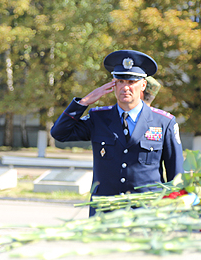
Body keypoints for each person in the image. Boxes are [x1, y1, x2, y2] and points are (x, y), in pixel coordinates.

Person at [51, 50, 183, 216]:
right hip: (105, 212)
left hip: (147, 214)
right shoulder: (98, 118)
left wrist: (171, 214)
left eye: (131, 81)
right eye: (120, 81)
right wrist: (84, 102)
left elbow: (176, 175)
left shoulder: (164, 122)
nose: (125, 87)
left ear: (143, 85)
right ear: (113, 84)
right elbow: (60, 133)